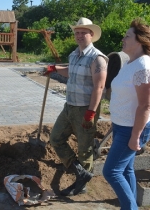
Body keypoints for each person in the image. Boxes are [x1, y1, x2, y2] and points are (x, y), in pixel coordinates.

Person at [45, 17, 108, 196]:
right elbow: (70, 72)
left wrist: (91, 112)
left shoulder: (97, 59)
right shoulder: (74, 55)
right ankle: (80, 172)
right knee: (56, 138)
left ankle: (82, 185)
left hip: (85, 109)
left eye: (83, 33)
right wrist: (55, 68)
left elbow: (99, 87)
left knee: (85, 148)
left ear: (91, 34)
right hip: (69, 107)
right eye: (77, 33)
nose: (79, 36)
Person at [102, 18, 150, 209]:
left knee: (111, 172)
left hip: (132, 129)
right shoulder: (130, 63)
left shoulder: (144, 66)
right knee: (125, 170)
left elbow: (145, 106)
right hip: (122, 126)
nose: (123, 39)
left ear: (140, 40)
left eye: (127, 36)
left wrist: (135, 137)